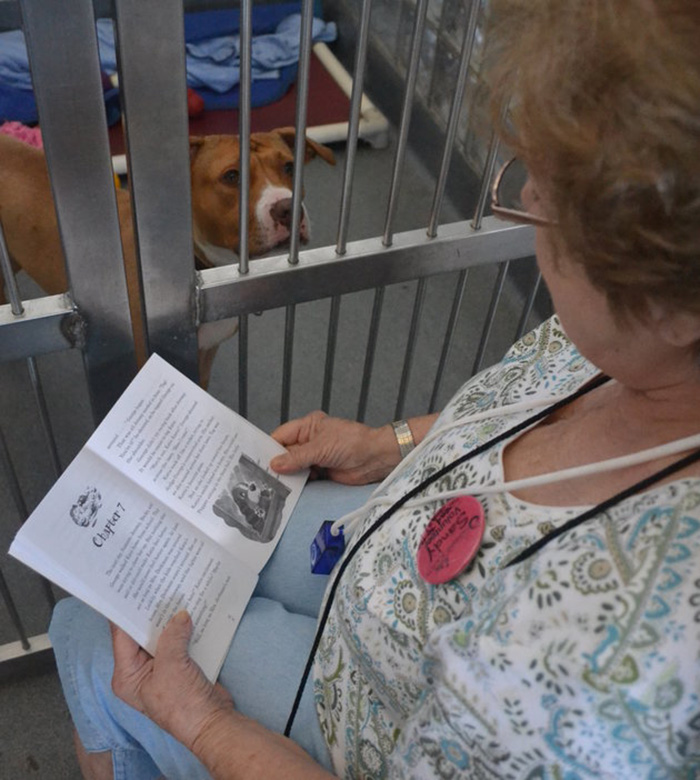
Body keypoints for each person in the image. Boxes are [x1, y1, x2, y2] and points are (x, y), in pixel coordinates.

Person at [48, 0, 700, 777]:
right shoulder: (630, 341)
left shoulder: (602, 672)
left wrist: (203, 723)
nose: (527, 206)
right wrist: (386, 442)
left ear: (670, 301)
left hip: (356, 718)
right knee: (136, 563)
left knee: (83, 629)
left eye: (552, 203)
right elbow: (517, 404)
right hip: (376, 536)